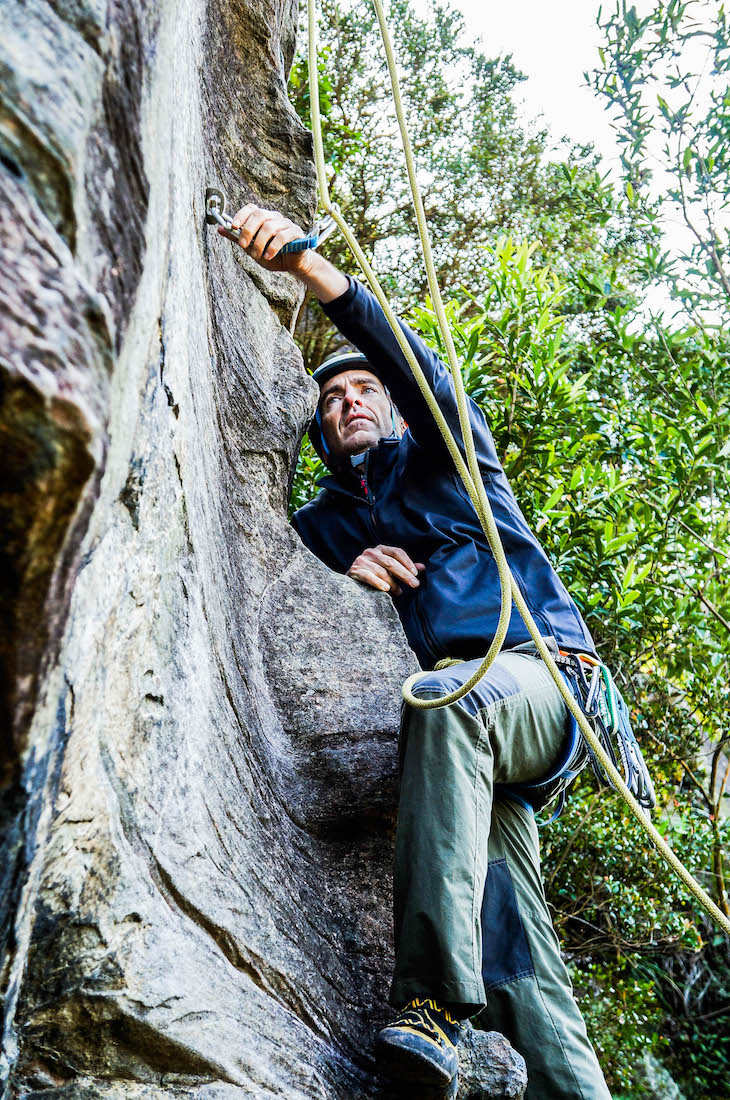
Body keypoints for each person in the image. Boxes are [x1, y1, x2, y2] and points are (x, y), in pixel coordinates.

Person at [221, 206, 612, 1100]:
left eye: (363, 390)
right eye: (330, 397)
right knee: (520, 964)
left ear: (393, 410)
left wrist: (315, 275)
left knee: (447, 699)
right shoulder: (324, 527)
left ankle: (431, 1002)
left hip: (545, 681)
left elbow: (419, 372)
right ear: (316, 429)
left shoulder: (450, 462)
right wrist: (342, 570)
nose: (349, 398)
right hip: (480, 756)